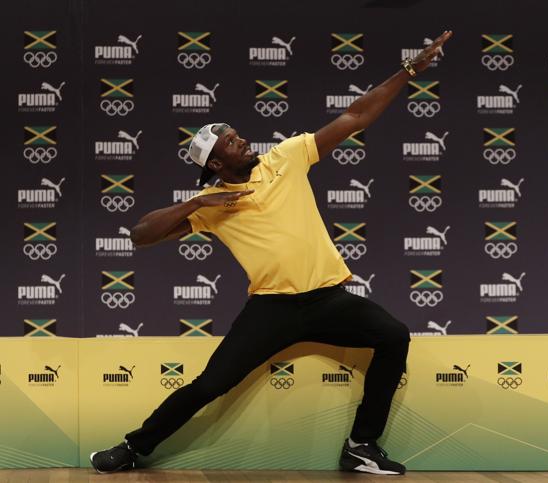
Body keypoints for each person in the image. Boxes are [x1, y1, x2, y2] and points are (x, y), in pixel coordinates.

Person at [89, 30, 452, 476]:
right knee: (211, 384)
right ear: (216, 166)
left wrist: (410, 69)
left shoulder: (287, 157)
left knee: (394, 336)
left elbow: (356, 116)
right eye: (231, 144)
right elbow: (141, 235)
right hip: (271, 309)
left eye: (238, 135)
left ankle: (360, 445)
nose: (242, 141)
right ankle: (132, 447)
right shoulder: (214, 206)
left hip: (326, 298)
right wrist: (198, 201)